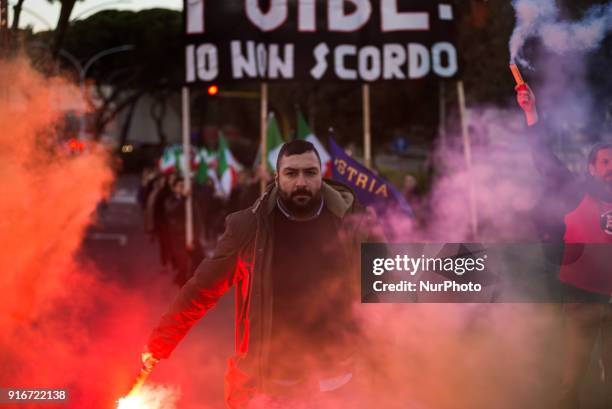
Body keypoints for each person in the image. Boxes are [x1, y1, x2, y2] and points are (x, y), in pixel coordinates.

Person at [142, 140, 383, 408]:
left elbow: (386, 291)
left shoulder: (354, 223)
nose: (301, 182)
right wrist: (161, 342)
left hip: (336, 379)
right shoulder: (249, 227)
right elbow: (202, 289)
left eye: (310, 172)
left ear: (321, 174)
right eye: (292, 173)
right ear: (277, 177)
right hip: (272, 383)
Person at [516, 84, 612, 409]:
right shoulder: (574, 191)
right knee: (570, 382)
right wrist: (531, 113)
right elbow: (544, 160)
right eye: (605, 162)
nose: (610, 168)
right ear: (591, 168)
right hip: (582, 302)